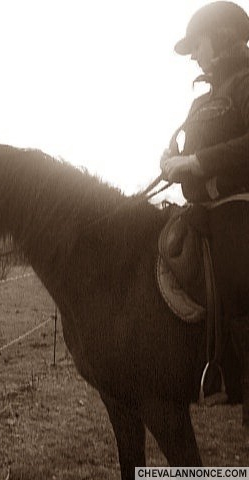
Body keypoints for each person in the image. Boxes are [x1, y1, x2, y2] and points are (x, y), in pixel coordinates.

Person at [159, 1, 249, 425]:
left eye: (199, 44)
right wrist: (172, 162)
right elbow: (186, 159)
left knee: (240, 280)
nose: (194, 54)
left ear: (224, 37)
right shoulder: (200, 103)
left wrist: (195, 163)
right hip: (200, 210)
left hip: (239, 206)